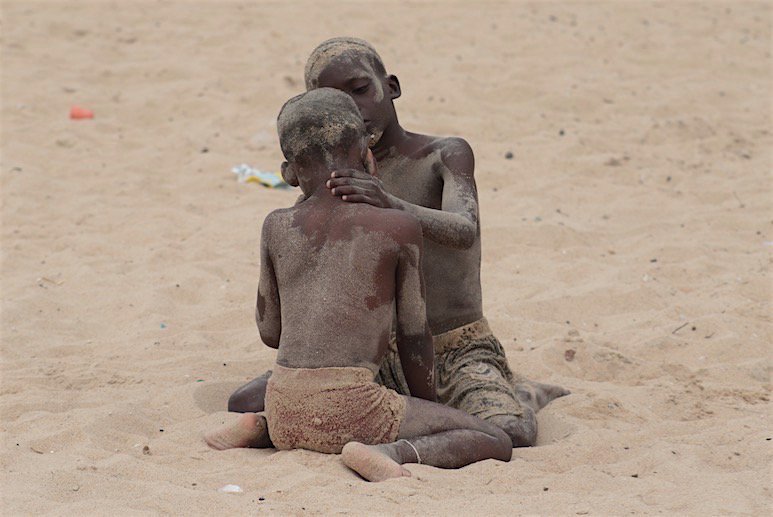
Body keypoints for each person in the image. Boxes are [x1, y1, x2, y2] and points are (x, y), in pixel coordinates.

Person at [229, 38, 568, 447]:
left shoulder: (443, 154)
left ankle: (522, 390)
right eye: (337, 101)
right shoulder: (337, 169)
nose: (355, 109)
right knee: (245, 402)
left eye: (360, 90)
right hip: (369, 354)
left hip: (454, 343)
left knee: (513, 432)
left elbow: (464, 229)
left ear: (391, 86)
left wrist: (390, 202)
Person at [206, 88, 512, 482]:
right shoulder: (397, 227)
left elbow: (271, 333)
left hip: (283, 407)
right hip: (354, 410)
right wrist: (424, 408)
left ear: (289, 173)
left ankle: (260, 428)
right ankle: (389, 452)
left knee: (299, 415)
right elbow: (415, 335)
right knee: (493, 438)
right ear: (367, 155)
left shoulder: (276, 225)